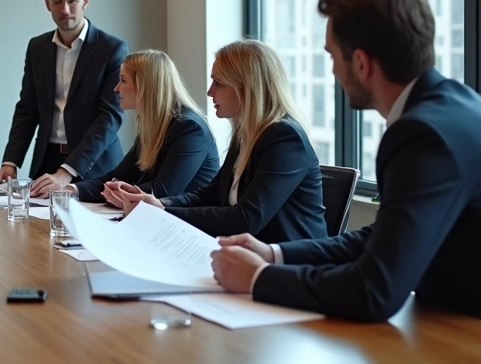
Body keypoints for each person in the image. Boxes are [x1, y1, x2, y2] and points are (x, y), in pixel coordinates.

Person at [211, 0, 481, 360]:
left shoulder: (423, 133)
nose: (332, 71)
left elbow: (376, 291)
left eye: (332, 56)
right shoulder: (451, 107)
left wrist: (258, 278)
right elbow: (384, 238)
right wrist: (274, 254)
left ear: (361, 62)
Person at [118, 40, 327, 243]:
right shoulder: (246, 133)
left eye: (218, 83)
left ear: (248, 88)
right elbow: (212, 194)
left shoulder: (285, 138)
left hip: (290, 261)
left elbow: (246, 218)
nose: (210, 91)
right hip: (245, 253)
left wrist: (165, 212)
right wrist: (160, 205)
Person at [0, 0, 130, 197]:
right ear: (47, 4)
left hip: (95, 167)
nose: (65, 9)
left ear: (85, 1)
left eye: (72, 1)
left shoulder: (112, 48)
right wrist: (11, 162)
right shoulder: (37, 47)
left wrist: (67, 171)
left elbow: (109, 118)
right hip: (47, 163)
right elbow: (27, 110)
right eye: (57, 1)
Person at [67, 49, 219, 204]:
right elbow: (117, 177)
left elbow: (162, 191)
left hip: (184, 218)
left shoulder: (189, 128)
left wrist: (119, 192)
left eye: (123, 80)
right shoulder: (155, 125)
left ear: (145, 85)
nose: (116, 88)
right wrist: (69, 190)